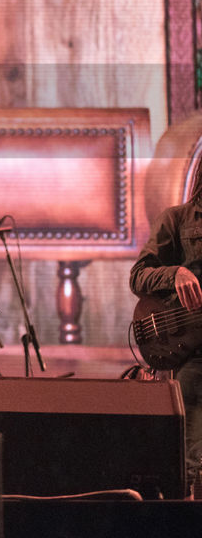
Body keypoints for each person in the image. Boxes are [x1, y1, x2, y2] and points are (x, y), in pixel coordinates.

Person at [131, 197, 202, 472]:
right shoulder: (178, 218)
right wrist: (175, 274)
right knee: (189, 461)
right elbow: (138, 277)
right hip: (194, 355)